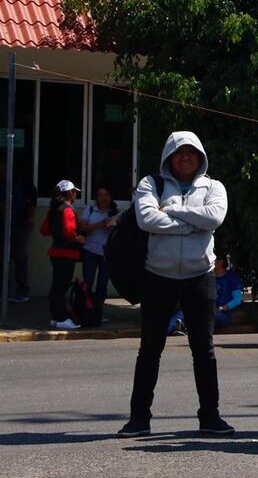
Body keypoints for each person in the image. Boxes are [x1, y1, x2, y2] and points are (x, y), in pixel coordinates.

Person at [118, 132, 232, 438]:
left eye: (192, 152)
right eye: (179, 151)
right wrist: (193, 225)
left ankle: (210, 416)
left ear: (200, 156)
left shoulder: (214, 186)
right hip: (158, 276)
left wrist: (174, 212)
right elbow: (146, 220)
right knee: (150, 349)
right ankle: (139, 418)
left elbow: (215, 217)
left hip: (200, 276)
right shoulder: (150, 184)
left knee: (203, 350)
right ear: (169, 156)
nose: (185, 157)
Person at [40, 180, 85, 330]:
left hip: (55, 252)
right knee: (61, 286)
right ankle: (60, 318)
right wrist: (80, 238)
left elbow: (44, 230)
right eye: (74, 191)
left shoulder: (53, 210)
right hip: (67, 253)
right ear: (70, 193)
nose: (76, 194)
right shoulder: (67, 210)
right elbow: (69, 231)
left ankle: (55, 317)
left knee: (56, 286)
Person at [168, 253, 243, 334]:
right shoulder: (207, 277)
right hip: (204, 309)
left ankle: (184, 328)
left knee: (207, 315)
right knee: (183, 312)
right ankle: (166, 331)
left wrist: (221, 308)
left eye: (212, 260)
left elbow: (237, 300)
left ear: (220, 262)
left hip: (221, 314)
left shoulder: (232, 278)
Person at [78, 184, 119, 313]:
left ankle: (98, 312)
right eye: (100, 195)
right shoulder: (90, 209)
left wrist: (113, 227)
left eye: (106, 195)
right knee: (88, 283)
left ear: (111, 197)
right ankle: (84, 310)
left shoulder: (115, 213)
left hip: (107, 253)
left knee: (102, 285)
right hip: (90, 251)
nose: (103, 198)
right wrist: (101, 224)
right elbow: (82, 228)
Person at [0, 161, 37, 303]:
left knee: (19, 256)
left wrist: (29, 218)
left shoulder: (22, 181)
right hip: (3, 223)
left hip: (19, 223)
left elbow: (32, 199)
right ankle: (5, 290)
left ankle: (22, 289)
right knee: (3, 256)